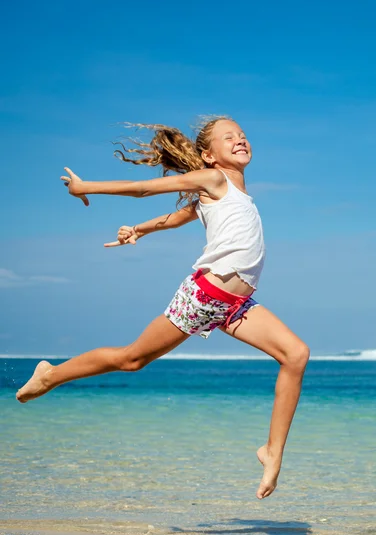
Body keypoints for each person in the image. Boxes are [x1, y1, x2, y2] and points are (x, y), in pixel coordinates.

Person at [16, 116, 309, 500]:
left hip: (235, 304)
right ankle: (50, 375)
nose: (240, 140)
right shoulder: (213, 180)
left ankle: (272, 451)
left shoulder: (230, 192)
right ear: (208, 155)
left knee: (296, 355)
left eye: (242, 135)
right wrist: (85, 187)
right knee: (132, 360)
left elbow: (178, 216)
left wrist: (141, 229)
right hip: (205, 296)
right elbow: (144, 187)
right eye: (228, 137)